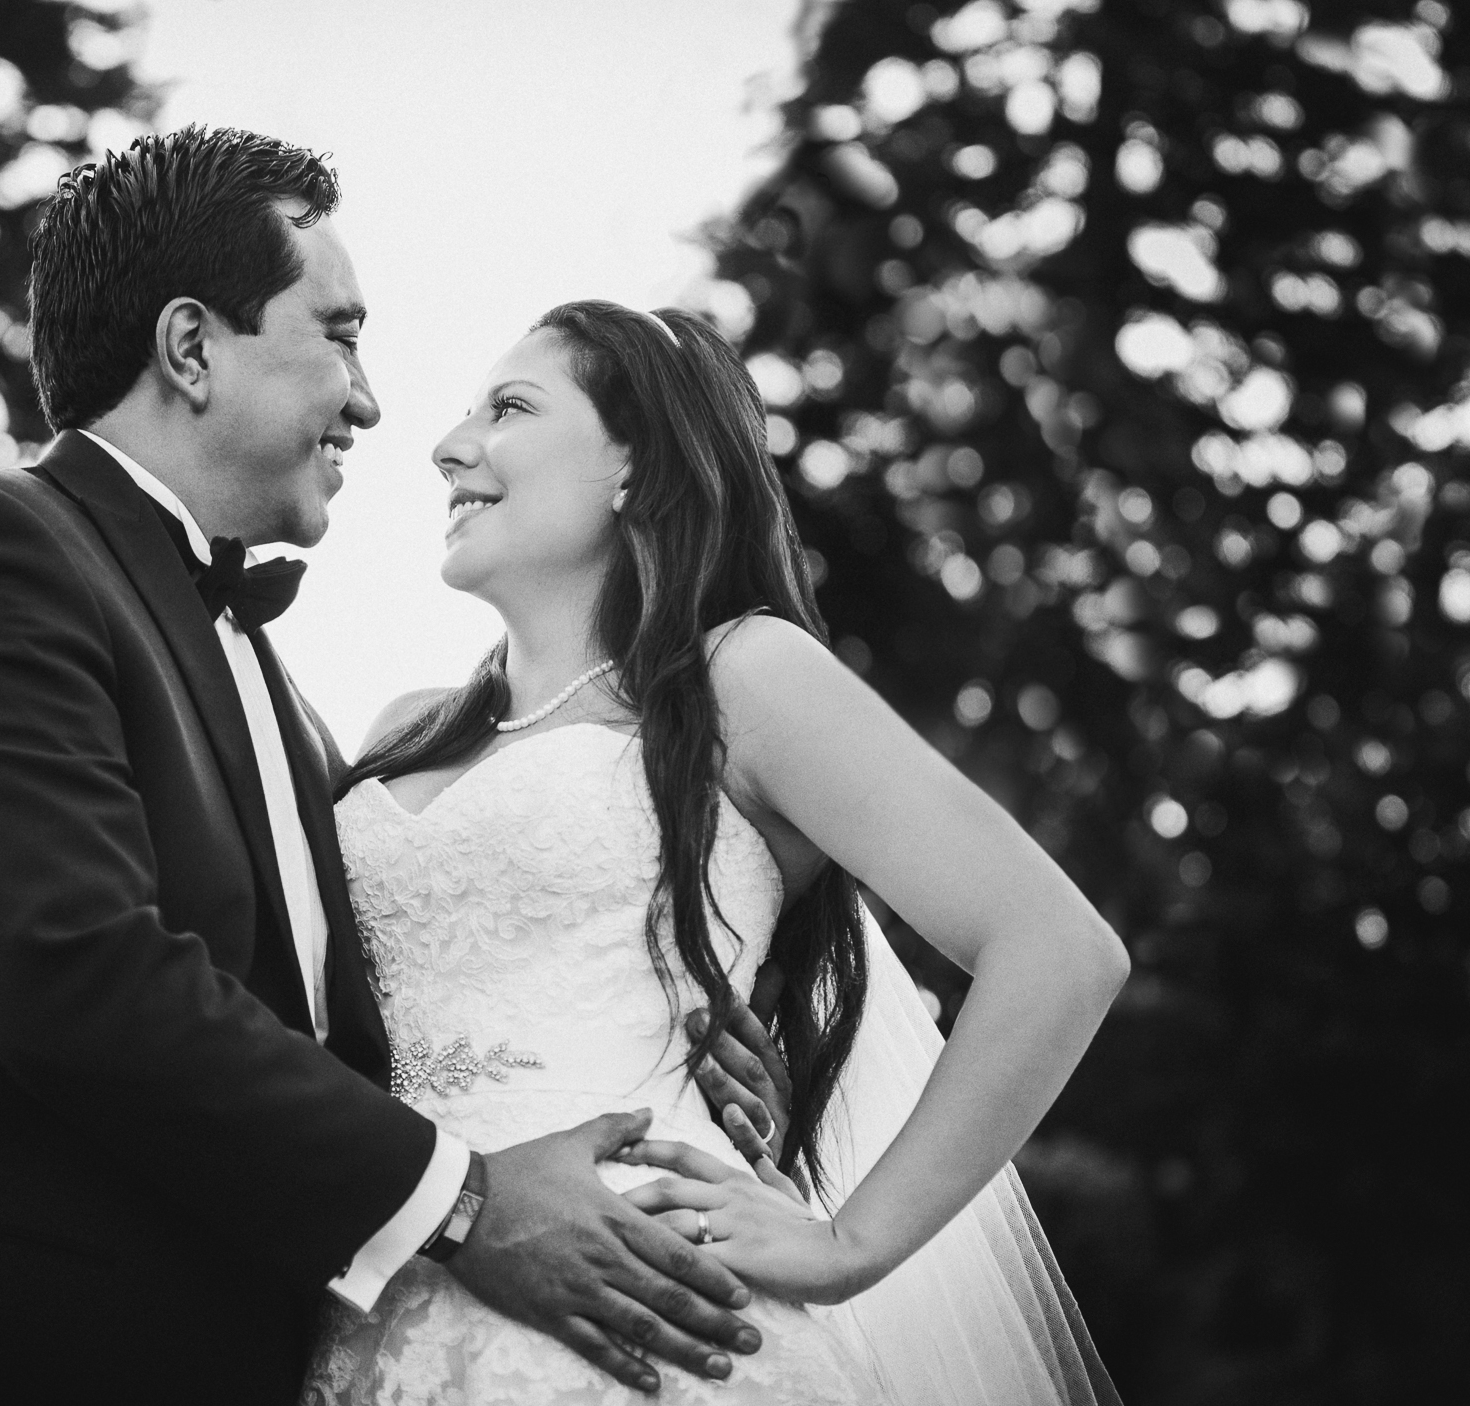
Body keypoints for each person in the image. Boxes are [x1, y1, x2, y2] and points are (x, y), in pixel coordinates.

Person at [0, 130, 780, 1406]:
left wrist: (657, 1041)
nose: (370, 399)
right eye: (338, 333)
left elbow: (352, 1026)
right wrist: (468, 1203)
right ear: (190, 348)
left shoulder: (288, 706)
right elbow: (64, 958)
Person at [302, 301, 1129, 1403]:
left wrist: (848, 1246)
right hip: (378, 1306)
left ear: (636, 465)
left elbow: (1058, 948)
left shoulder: (740, 676)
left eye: (506, 407)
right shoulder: (399, 732)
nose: (448, 445)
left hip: (647, 1323)